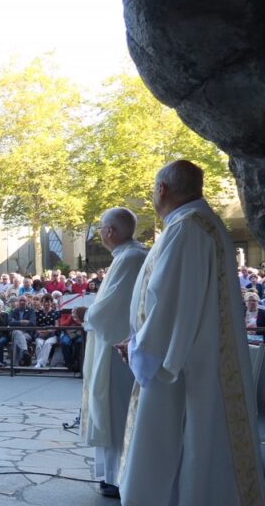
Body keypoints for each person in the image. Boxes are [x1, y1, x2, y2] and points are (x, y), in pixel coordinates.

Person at [116, 161, 264, 505]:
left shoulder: (186, 230)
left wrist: (140, 347)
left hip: (177, 367)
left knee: (174, 447)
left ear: (162, 189)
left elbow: (169, 302)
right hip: (196, 353)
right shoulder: (203, 225)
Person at [80, 207, 148, 498]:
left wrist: (87, 313)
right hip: (118, 344)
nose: (101, 233)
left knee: (115, 411)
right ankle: (112, 475)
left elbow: (112, 308)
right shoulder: (129, 255)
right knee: (110, 409)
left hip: (117, 347)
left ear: (110, 231)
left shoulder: (131, 258)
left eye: (101, 228)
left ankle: (119, 477)